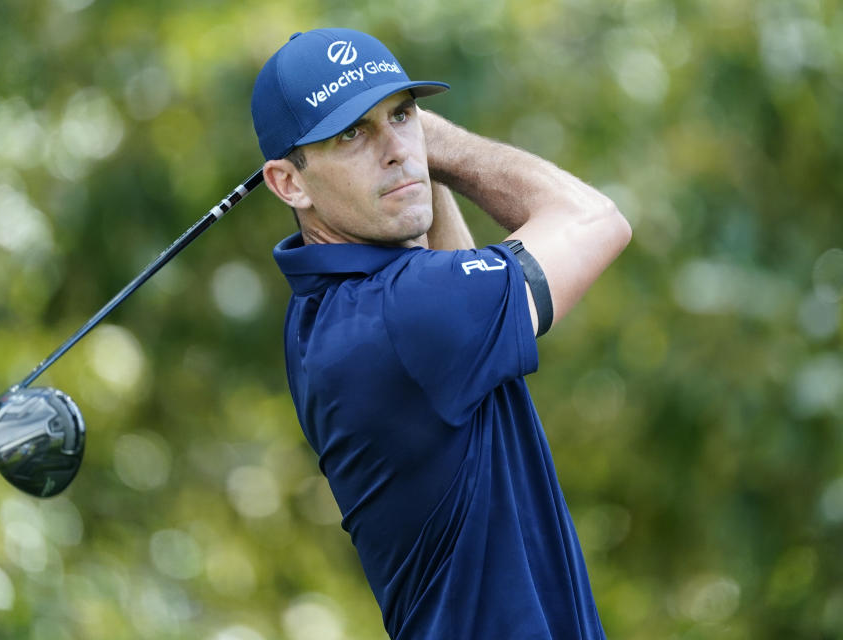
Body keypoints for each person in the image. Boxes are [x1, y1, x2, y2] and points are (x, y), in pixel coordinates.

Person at [251, 28, 631, 639]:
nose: (398, 149)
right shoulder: (404, 316)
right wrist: (442, 142)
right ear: (289, 182)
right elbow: (595, 220)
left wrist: (408, 157)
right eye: (353, 134)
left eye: (402, 115)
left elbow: (441, 261)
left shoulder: (327, 311)